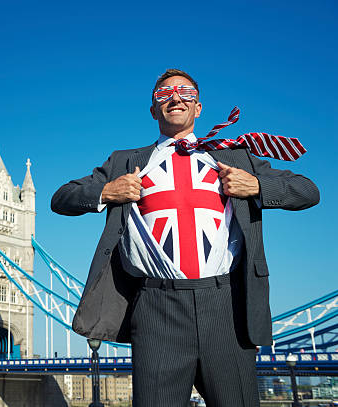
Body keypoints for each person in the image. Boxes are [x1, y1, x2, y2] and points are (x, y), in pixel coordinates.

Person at [51, 69, 319, 406]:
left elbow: (308, 191)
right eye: (164, 94)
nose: (175, 97)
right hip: (155, 307)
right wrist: (107, 190)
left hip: (227, 307)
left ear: (198, 107)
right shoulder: (125, 161)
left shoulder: (234, 157)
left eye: (185, 92)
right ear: (153, 110)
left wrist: (259, 187)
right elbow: (61, 198)